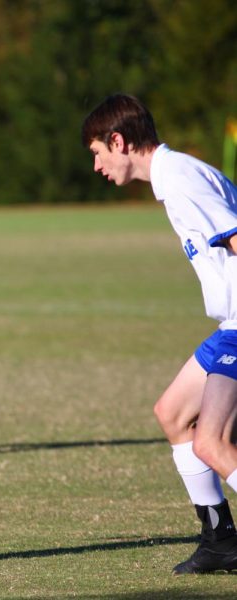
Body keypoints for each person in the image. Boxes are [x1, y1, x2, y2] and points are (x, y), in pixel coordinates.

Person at [82, 93, 237, 575]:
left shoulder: (183, 178)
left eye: (97, 153)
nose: (96, 166)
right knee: (172, 413)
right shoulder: (175, 177)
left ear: (119, 141)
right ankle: (221, 541)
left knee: (211, 443)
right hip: (229, 325)